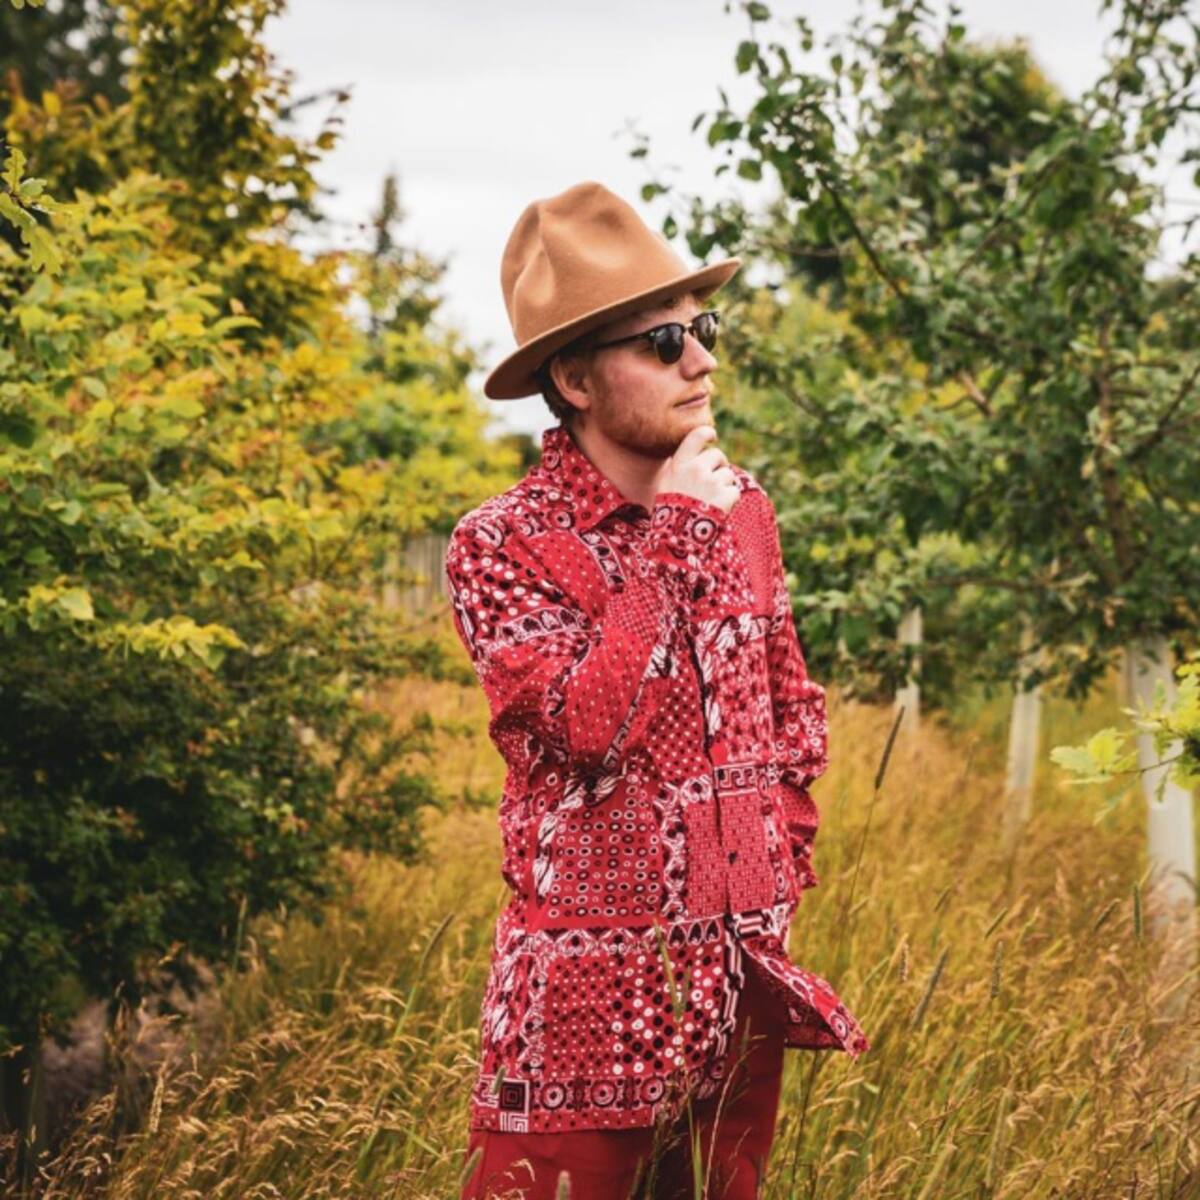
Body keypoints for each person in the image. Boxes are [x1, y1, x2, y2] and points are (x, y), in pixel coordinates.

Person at [444, 181, 869, 1200]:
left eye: (702, 330)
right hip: (585, 1017)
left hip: (737, 998)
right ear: (575, 379)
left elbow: (791, 713)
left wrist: (774, 878)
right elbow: (586, 729)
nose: (702, 361)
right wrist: (674, 534)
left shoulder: (745, 510)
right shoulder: (500, 544)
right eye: (664, 342)